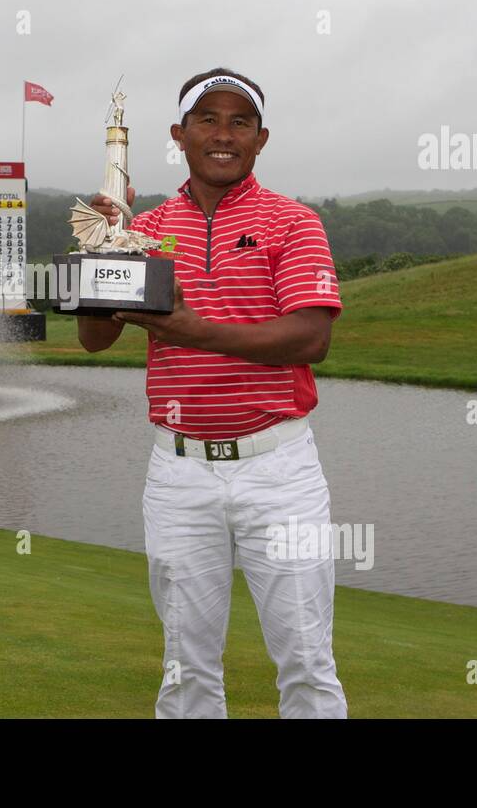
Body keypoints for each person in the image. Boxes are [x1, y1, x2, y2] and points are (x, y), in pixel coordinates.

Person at [79, 67, 348, 719]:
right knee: (185, 668)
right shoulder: (143, 227)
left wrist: (191, 330)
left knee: (307, 662)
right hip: (179, 473)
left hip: (277, 468)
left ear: (260, 138)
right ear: (179, 135)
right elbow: (94, 337)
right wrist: (101, 247)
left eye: (239, 122)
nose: (222, 134)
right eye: (207, 120)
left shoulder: (294, 222)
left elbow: (309, 337)